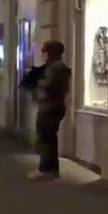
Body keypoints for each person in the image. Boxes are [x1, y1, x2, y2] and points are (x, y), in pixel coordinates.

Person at [27, 40, 71, 180]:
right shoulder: (58, 67)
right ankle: (52, 169)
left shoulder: (55, 68)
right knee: (50, 138)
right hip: (53, 105)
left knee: (45, 137)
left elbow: (49, 85)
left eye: (46, 51)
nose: (44, 54)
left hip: (50, 106)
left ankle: (45, 169)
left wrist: (36, 80)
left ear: (52, 52)